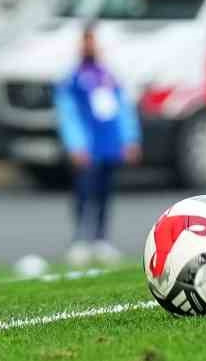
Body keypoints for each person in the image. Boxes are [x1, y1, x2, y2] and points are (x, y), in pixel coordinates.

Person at [53, 24, 140, 267]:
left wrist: (130, 139)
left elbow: (123, 109)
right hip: (87, 147)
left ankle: (101, 239)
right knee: (83, 192)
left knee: (105, 193)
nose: (90, 45)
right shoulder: (72, 78)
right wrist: (76, 144)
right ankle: (80, 240)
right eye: (86, 40)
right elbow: (67, 113)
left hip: (108, 144)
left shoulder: (109, 76)